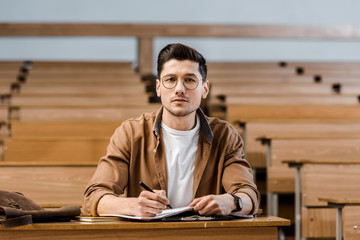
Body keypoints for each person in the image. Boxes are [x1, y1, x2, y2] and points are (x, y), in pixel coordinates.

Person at [82, 43, 260, 217]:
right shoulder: (130, 133)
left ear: (205, 89)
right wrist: (131, 205)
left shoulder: (225, 136)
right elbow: (94, 196)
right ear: (158, 88)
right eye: (171, 80)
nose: (179, 89)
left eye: (189, 80)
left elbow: (248, 195)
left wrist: (232, 201)